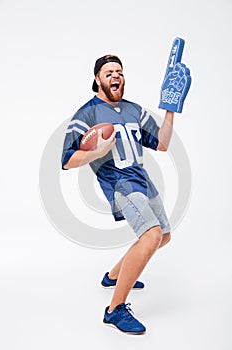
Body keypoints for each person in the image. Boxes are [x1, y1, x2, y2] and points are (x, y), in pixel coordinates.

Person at [61, 54, 179, 335]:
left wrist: (171, 108)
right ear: (97, 79)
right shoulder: (87, 114)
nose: (116, 76)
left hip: (143, 180)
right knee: (149, 236)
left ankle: (113, 275)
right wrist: (96, 152)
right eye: (109, 72)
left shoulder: (133, 110)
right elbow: (66, 160)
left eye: (120, 72)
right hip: (120, 184)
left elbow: (161, 144)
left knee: (163, 235)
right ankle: (114, 310)